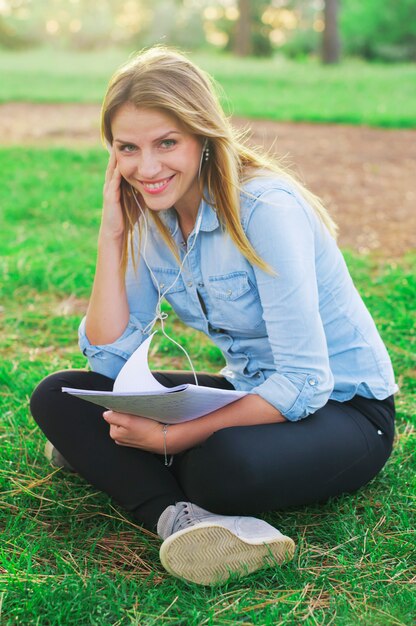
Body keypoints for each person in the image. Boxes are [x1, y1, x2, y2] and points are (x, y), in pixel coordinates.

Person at [30, 46, 397, 586]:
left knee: (220, 464)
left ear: (203, 137)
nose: (146, 168)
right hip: (247, 391)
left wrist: (175, 439)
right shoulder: (151, 215)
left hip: (346, 408)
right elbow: (108, 357)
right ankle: (179, 519)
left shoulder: (265, 210)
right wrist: (112, 235)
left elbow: (304, 380)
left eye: (166, 143)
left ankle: (129, 464)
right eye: (127, 149)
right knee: (59, 393)